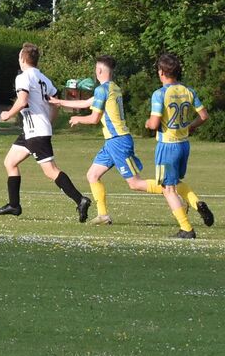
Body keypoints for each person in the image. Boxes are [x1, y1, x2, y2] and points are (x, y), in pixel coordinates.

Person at [0, 42, 92, 222]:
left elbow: (22, 100)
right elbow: (54, 104)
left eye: (19, 57)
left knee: (51, 171)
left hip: (36, 131)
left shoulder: (23, 77)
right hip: (32, 131)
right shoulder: (45, 79)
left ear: (23, 59)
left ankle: (80, 200)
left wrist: (8, 114)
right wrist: (49, 122)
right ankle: (14, 205)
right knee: (10, 162)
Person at [49, 55, 151, 225]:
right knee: (92, 175)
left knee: (135, 184)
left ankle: (171, 192)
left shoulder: (102, 90)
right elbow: (87, 102)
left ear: (99, 70)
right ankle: (103, 215)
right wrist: (59, 102)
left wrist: (77, 119)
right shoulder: (113, 87)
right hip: (112, 142)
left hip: (118, 141)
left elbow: (94, 118)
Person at [144, 52, 212, 239]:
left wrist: (148, 124)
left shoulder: (160, 94)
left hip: (167, 146)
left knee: (168, 189)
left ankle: (186, 229)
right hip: (184, 145)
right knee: (175, 183)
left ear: (161, 72)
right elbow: (204, 116)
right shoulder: (188, 91)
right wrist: (191, 126)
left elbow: (155, 123)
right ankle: (196, 202)